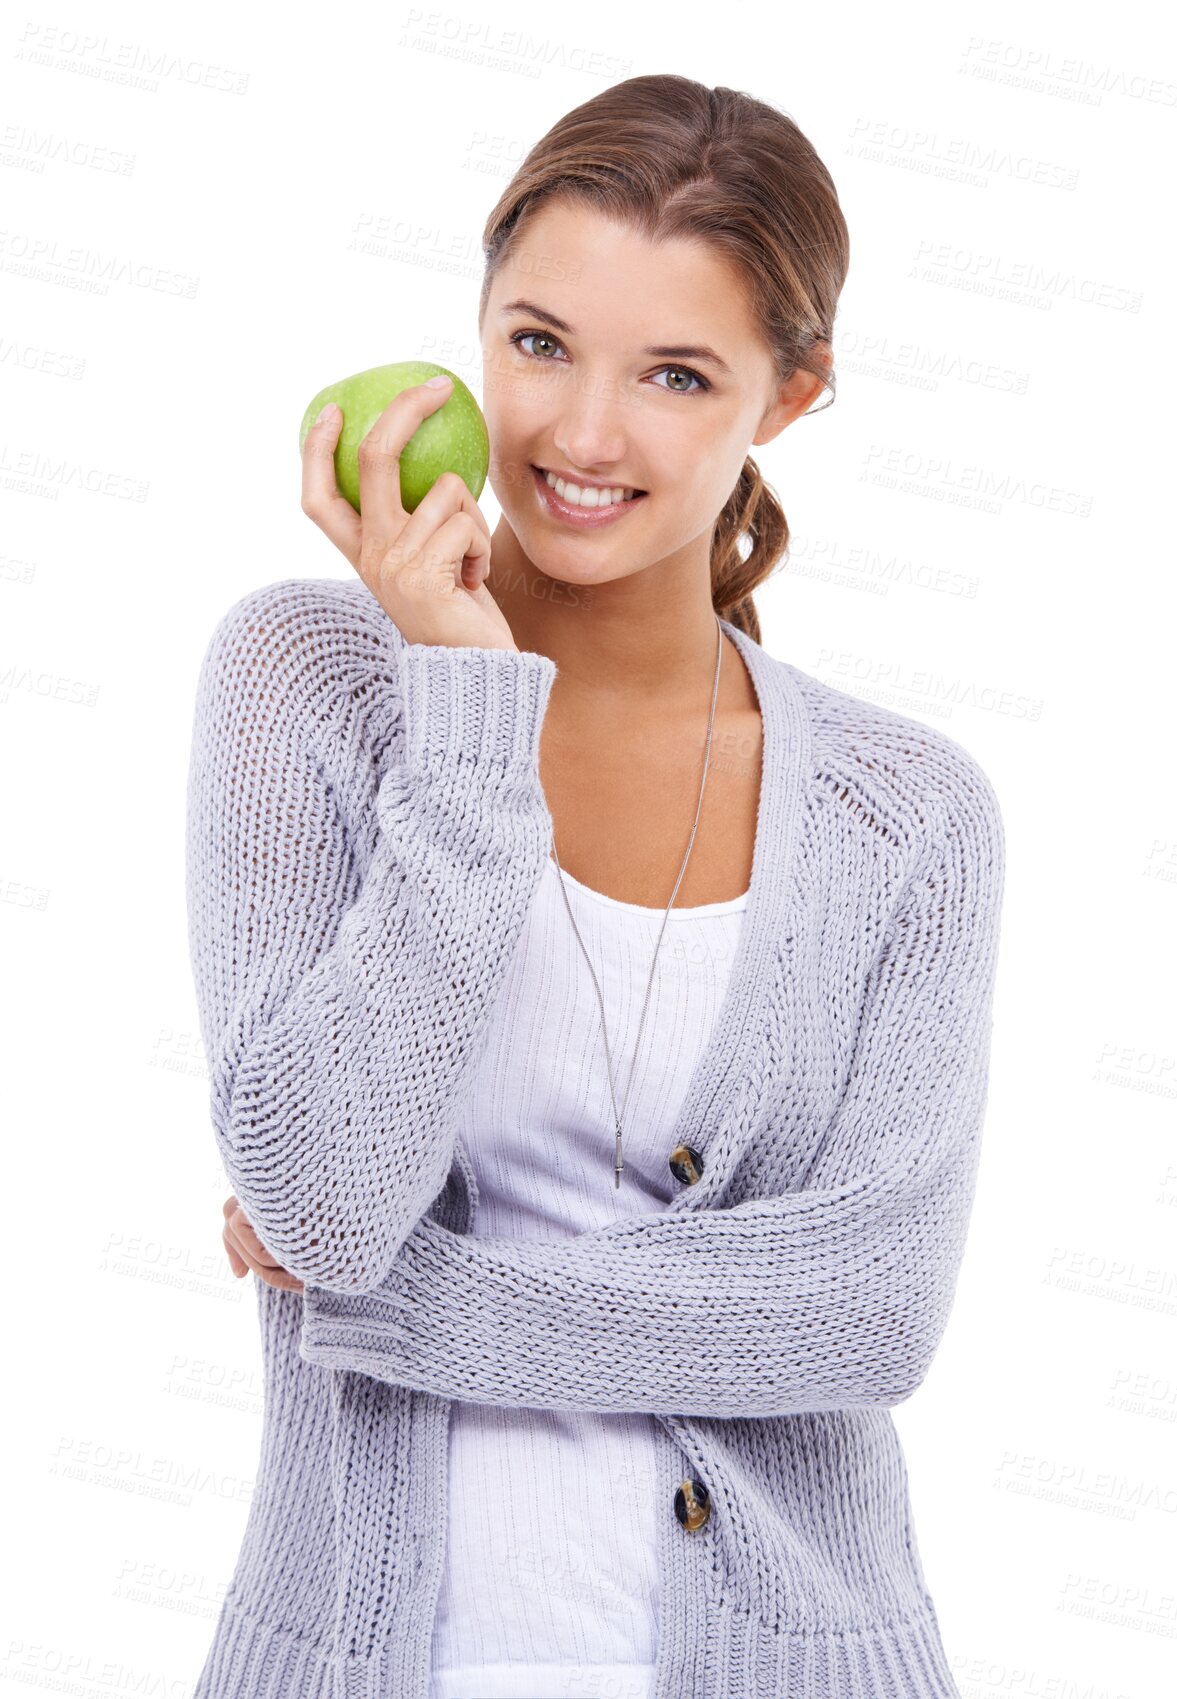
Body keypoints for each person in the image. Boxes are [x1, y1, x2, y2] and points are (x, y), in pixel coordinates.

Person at [190, 73, 1005, 1699]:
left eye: (677, 375)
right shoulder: (303, 686)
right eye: (539, 343)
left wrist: (384, 1307)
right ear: (477, 328)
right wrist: (468, 713)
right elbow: (327, 1192)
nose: (576, 435)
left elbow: (860, 1320)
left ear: (788, 399)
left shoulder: (907, 817)